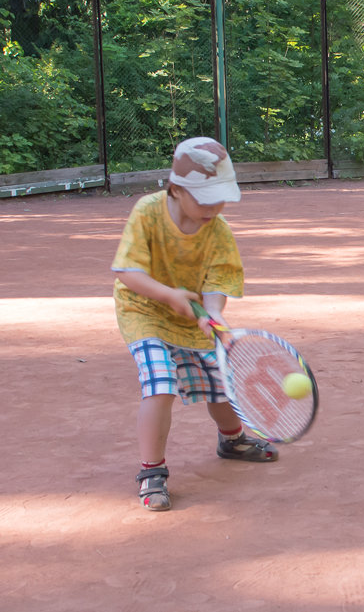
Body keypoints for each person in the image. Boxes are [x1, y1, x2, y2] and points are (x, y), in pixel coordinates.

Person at [113, 137, 278, 512]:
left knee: (219, 382)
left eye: (220, 197)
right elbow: (127, 271)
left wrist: (215, 313)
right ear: (176, 188)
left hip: (192, 319)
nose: (214, 207)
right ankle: (152, 472)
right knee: (161, 382)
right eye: (205, 198)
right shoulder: (147, 212)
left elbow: (219, 279)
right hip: (144, 311)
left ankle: (232, 439)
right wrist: (169, 295)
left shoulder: (218, 230)